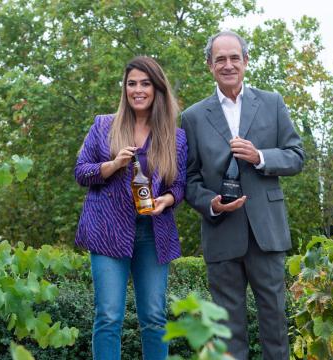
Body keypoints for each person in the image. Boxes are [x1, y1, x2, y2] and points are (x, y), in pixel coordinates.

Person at [181, 31, 305, 359]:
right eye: (220, 59)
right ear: (209, 65)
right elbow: (189, 179)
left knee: (275, 322)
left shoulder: (272, 102)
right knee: (228, 329)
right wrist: (211, 203)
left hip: (267, 230)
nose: (228, 64)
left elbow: (296, 156)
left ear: (246, 61)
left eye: (234, 57)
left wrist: (260, 157)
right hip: (222, 232)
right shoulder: (193, 117)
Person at [74, 56, 187, 360]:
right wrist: (112, 165)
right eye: (132, 83)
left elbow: (179, 185)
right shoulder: (103, 126)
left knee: (154, 317)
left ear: (157, 88)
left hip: (153, 233)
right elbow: (80, 172)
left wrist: (168, 200)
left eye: (145, 83)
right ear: (124, 89)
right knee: (109, 316)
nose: (138, 90)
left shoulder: (174, 137)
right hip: (107, 232)